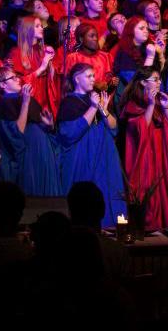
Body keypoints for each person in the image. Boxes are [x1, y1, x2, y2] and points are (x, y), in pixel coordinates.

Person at [56, 64, 125, 225]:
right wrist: (94, 107)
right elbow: (69, 134)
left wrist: (104, 109)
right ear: (76, 79)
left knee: (106, 191)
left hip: (103, 154)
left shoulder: (95, 98)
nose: (93, 79)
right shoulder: (69, 102)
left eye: (94, 76)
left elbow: (114, 127)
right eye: (89, 76)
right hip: (82, 157)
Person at [120, 68, 168, 229]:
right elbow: (141, 128)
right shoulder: (133, 103)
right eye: (155, 79)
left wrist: (165, 108)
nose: (159, 83)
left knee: (167, 192)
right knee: (149, 195)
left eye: (159, 79)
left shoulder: (161, 100)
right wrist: (150, 104)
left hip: (162, 153)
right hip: (145, 155)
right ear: (143, 82)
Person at [0, 66, 61, 196]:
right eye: (13, 78)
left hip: (43, 151)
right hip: (28, 156)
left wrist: (49, 125)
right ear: (2, 84)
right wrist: (25, 103)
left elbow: (40, 124)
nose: (18, 79)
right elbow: (17, 133)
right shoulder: (6, 104)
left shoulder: (25, 98)